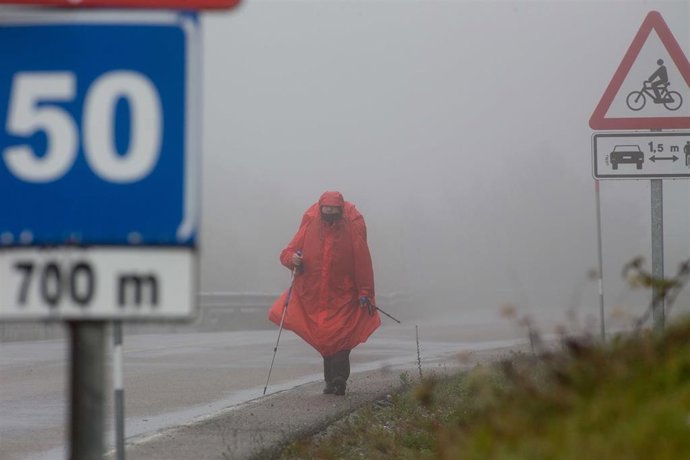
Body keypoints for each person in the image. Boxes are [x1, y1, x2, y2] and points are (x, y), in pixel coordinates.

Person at [268, 191, 381, 396]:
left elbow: (362, 262)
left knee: (341, 337)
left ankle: (339, 380)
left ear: (340, 211)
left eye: (333, 210)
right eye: (326, 210)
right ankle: (330, 380)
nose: (329, 213)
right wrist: (293, 260)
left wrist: (365, 291)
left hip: (343, 295)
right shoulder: (310, 226)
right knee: (325, 337)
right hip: (314, 294)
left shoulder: (352, 229)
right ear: (320, 209)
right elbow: (287, 253)